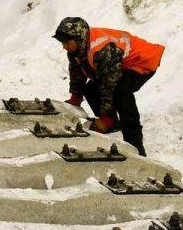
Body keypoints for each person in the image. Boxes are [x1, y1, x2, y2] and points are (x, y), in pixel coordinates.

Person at [53, 17, 165, 157]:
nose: (64, 46)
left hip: (142, 61)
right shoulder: (77, 49)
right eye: (62, 42)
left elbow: (109, 84)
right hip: (120, 64)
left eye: (66, 42)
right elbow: (77, 73)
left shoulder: (102, 49)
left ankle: (136, 147)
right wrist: (75, 98)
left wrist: (105, 118)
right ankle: (112, 123)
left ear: (79, 38)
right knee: (90, 88)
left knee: (121, 92)